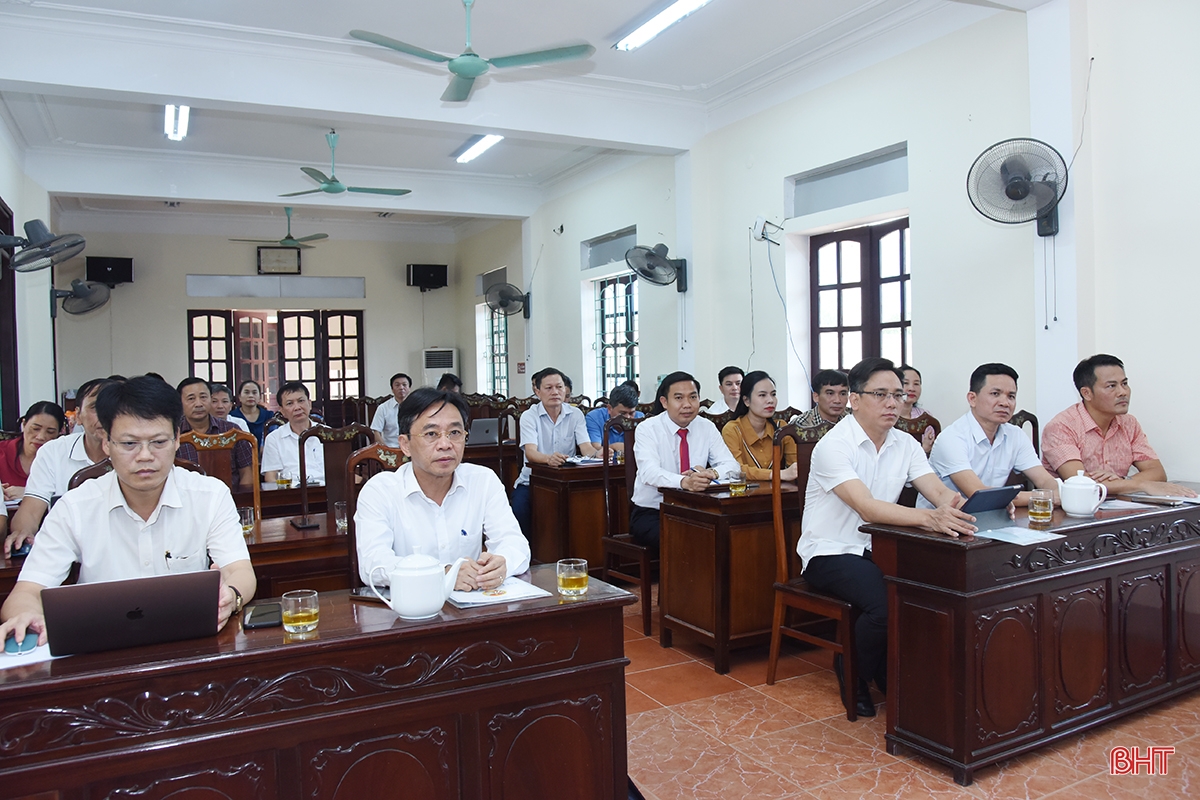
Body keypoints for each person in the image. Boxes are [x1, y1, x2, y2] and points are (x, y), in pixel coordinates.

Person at [0, 376, 256, 647]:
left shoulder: (210, 495)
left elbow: (240, 571)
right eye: (130, 444)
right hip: (101, 651)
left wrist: (231, 596)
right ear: (107, 444)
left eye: (158, 442)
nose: (145, 456)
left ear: (177, 440)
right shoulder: (74, 507)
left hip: (190, 646)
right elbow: (26, 592)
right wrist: (25, 615)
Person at [799, 357, 975, 718]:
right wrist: (930, 518)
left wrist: (955, 508)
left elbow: (936, 490)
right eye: (881, 394)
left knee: (927, 589)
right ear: (855, 399)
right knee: (884, 604)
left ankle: (891, 670)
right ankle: (853, 672)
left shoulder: (905, 443)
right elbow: (867, 508)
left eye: (898, 394)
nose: (893, 403)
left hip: (878, 549)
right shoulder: (834, 445)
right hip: (829, 552)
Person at [355, 388, 530, 590]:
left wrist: (501, 564)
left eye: (455, 433)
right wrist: (442, 574)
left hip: (472, 607)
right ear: (405, 445)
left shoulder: (483, 480)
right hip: (408, 613)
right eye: (431, 434)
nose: (445, 444)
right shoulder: (380, 491)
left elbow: (515, 543)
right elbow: (373, 565)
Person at [1041, 354, 1196, 497]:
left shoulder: (1129, 423)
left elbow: (1157, 472)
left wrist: (1122, 481)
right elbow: (1081, 483)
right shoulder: (1061, 427)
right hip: (1068, 512)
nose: (1123, 392)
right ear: (1087, 393)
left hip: (1117, 507)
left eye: (1124, 384)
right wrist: (1141, 484)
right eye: (1111, 386)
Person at [920, 363, 1060, 509]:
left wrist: (1053, 490)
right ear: (972, 399)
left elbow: (1046, 481)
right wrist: (1046, 496)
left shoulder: (1015, 435)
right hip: (939, 524)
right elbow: (979, 495)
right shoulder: (952, 438)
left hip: (990, 518)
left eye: (1011, 396)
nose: (1005, 403)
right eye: (995, 394)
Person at [4, 378, 117, 556]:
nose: (106, 414)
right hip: (67, 556)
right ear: (78, 416)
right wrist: (23, 532)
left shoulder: (137, 453)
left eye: (114, 407)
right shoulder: (53, 452)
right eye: (95, 407)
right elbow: (31, 511)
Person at [630, 372, 739, 549]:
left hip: (697, 510)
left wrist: (711, 472)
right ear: (664, 402)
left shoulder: (706, 427)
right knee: (688, 539)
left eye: (693, 397)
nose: (687, 405)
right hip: (653, 512)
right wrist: (684, 482)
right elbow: (649, 472)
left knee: (730, 536)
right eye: (679, 398)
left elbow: (732, 465)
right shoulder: (647, 429)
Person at [511, 368, 596, 539]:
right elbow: (531, 453)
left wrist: (599, 453)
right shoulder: (529, 416)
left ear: (566, 390)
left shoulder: (576, 414)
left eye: (559, 387)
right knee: (519, 510)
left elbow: (586, 447)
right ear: (537, 391)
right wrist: (549, 459)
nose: (555, 392)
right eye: (548, 388)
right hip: (531, 481)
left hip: (565, 481)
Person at [174, 377, 255, 490]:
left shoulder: (232, 431)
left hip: (231, 500)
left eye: (203, 397)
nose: (198, 404)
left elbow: (247, 472)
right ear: (180, 402)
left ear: (210, 399)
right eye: (191, 399)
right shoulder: (172, 434)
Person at [722, 371, 798, 482]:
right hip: (744, 495)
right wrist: (778, 474)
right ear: (746, 400)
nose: (770, 400)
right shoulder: (733, 429)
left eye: (773, 394)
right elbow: (736, 470)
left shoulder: (781, 427)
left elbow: (795, 464)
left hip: (780, 492)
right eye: (762, 395)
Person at [261, 382, 325, 485]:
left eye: (301, 401)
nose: (297, 407)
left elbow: (341, 470)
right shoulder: (274, 438)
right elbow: (270, 477)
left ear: (309, 404)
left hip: (327, 492)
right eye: (290, 403)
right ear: (282, 411)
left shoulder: (328, 434)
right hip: (291, 494)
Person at [0, 401, 66, 501]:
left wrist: (30, 493)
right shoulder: (2, 451)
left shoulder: (64, 458)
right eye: (35, 428)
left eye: (50, 432)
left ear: (60, 432)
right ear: (24, 424)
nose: (41, 437)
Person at [586, 382, 644, 454]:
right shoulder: (594, 417)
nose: (627, 417)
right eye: (622, 413)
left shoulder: (640, 418)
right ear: (609, 408)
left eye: (631, 413)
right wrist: (613, 447)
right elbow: (595, 448)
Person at [899, 365, 936, 454]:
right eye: (905, 383)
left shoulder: (925, 417)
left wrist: (926, 449)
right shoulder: (887, 415)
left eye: (916, 384)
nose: (911, 388)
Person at [370, 372, 412, 448]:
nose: (401, 387)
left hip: (412, 449)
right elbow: (376, 432)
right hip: (391, 450)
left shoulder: (417, 406)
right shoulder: (383, 408)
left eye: (404, 385)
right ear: (392, 389)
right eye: (397, 385)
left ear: (409, 388)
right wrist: (386, 451)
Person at [230, 379, 269, 447]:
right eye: (246, 392)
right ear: (239, 397)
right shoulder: (232, 417)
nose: (251, 396)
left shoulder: (269, 416)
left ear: (260, 397)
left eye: (254, 393)